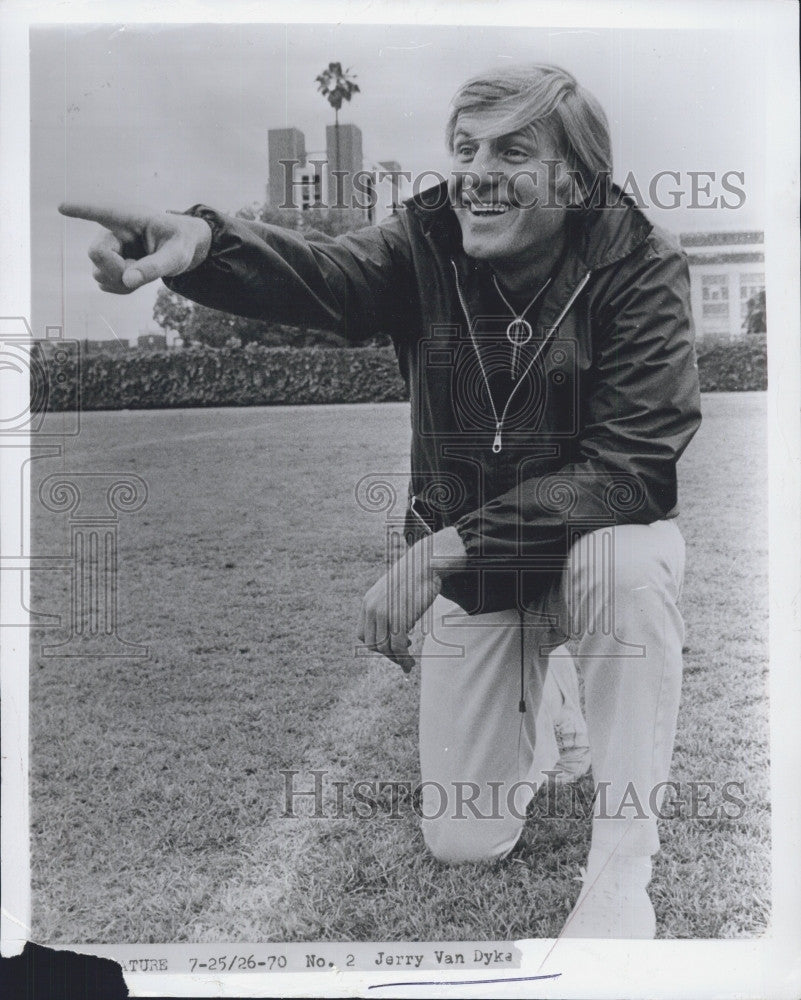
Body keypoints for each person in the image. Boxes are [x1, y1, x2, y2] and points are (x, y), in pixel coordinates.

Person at [60, 62, 701, 938]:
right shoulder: (428, 238)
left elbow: (631, 465)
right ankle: (551, 698)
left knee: (624, 564)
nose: (475, 170)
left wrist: (440, 549)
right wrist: (207, 242)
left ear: (576, 179)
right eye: (464, 146)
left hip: (581, 551)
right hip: (491, 583)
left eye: (512, 150)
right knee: (466, 840)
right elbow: (327, 273)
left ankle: (623, 873)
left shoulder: (640, 262)